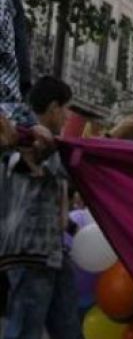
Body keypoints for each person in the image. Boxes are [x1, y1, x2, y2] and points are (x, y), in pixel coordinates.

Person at [1, 76, 82, 339]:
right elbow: (23, 166)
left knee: (69, 327)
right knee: (25, 329)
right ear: (54, 107)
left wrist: (69, 225)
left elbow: (55, 187)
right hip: (29, 252)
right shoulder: (21, 137)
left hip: (53, 251)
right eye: (66, 108)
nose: (68, 116)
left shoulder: (52, 145)